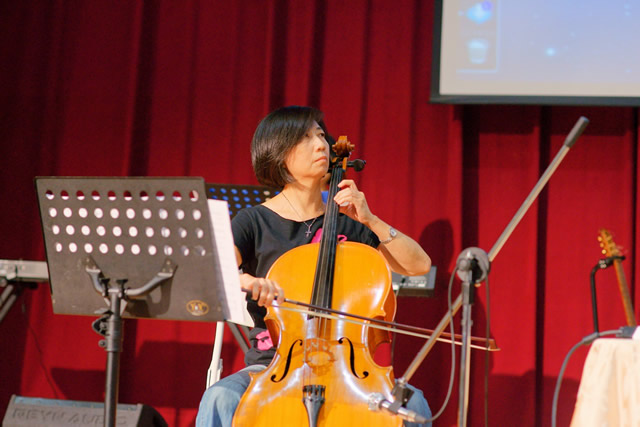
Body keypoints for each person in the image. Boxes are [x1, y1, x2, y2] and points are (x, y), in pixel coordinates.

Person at [196, 106, 433, 427]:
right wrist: (248, 281)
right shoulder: (254, 221)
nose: (320, 144)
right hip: (272, 366)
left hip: (347, 370)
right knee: (220, 397)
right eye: (305, 138)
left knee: (413, 403)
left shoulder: (350, 221)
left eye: (321, 135)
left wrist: (370, 220)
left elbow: (419, 265)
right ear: (278, 152)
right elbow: (213, 269)